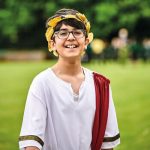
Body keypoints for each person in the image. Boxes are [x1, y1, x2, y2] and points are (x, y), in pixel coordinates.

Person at [18, 8, 120, 150]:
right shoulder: (42, 83)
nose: (71, 37)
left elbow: (107, 143)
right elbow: (32, 142)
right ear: (52, 43)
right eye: (63, 33)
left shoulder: (100, 84)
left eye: (77, 32)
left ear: (86, 41)